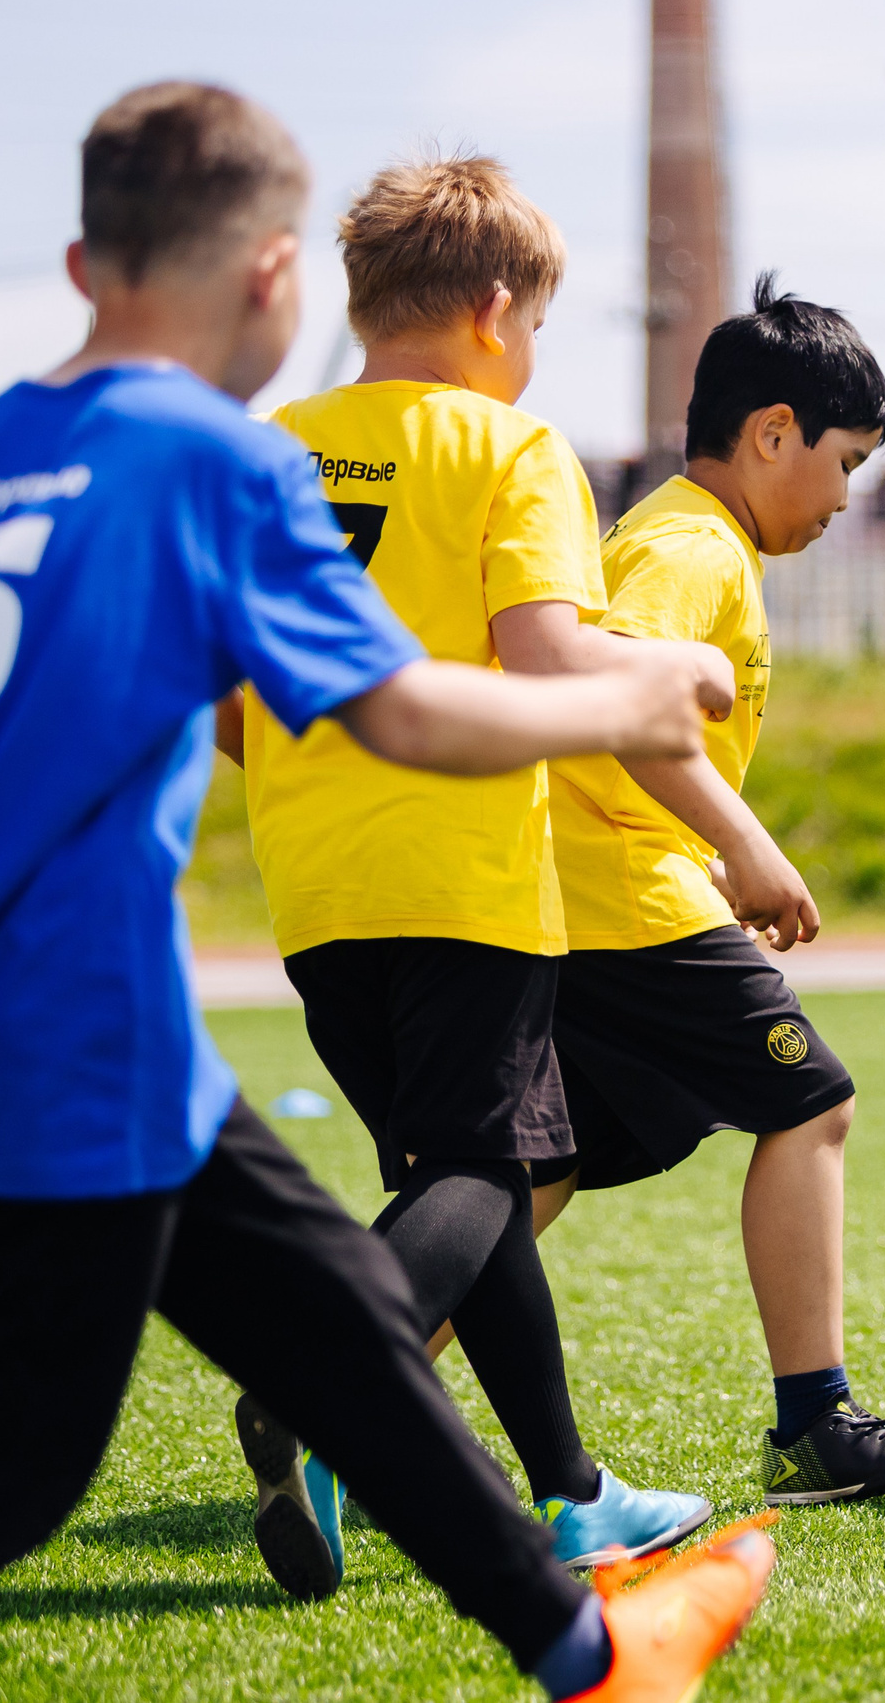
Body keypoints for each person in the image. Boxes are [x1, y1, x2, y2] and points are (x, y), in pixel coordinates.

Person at [0, 83, 770, 1703]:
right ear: (278, 274)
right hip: (74, 1021)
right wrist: (639, 696)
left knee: (328, 1322)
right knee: (7, 1452)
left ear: (79, 263)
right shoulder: (214, 462)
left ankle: (586, 1649)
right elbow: (403, 711)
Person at [217, 152, 720, 1597]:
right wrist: (667, 682)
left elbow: (224, 697)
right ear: (498, 310)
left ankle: (572, 1495)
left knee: (462, 1179)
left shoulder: (265, 454)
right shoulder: (511, 447)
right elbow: (547, 657)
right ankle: (320, 1378)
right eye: (540, 325)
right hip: (470, 872)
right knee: (491, 1169)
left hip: (317, 885)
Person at [534, 276, 885, 1506]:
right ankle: (818, 1425)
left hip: (577, 895)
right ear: (774, 433)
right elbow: (615, 693)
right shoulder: (691, 547)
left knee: (535, 1171)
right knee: (811, 1103)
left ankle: (333, 1390)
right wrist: (742, 845)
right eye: (845, 464)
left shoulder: (681, 534)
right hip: (628, 891)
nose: (844, 497)